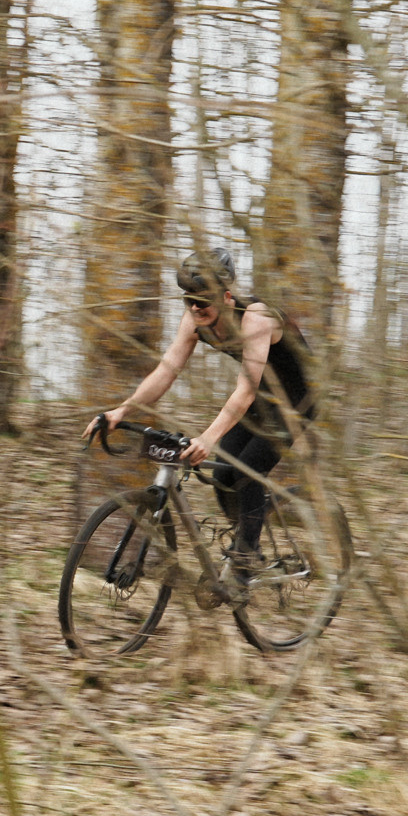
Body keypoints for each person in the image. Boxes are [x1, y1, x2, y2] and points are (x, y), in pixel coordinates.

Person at [89, 249, 317, 593]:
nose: (195, 308)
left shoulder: (256, 319)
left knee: (248, 469)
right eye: (189, 300)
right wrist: (122, 410)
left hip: (297, 400)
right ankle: (250, 535)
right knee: (224, 474)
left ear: (226, 297)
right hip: (261, 402)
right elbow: (166, 372)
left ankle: (246, 557)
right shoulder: (195, 320)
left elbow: (244, 390)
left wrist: (207, 437)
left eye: (203, 300)